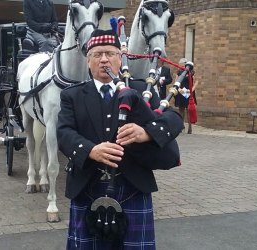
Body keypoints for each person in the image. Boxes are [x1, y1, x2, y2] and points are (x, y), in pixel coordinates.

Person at [57, 29, 184, 249]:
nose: (104, 59)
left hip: (133, 185)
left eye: (110, 53)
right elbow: (64, 132)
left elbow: (174, 119)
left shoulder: (141, 89)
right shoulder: (72, 95)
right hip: (87, 185)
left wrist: (147, 133)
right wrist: (90, 150)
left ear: (120, 58)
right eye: (97, 54)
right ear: (88, 61)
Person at [174, 58, 198, 134]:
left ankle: (190, 128)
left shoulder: (191, 72)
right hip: (181, 92)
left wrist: (191, 90)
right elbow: (176, 82)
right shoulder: (179, 72)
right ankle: (181, 126)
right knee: (181, 110)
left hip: (189, 92)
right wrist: (179, 89)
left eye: (181, 63)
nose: (180, 65)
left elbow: (196, 82)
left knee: (189, 110)